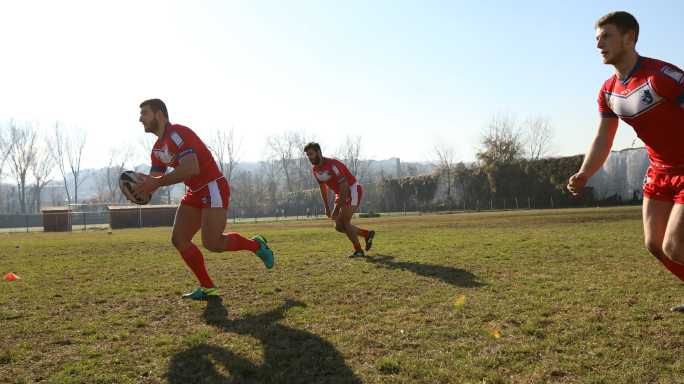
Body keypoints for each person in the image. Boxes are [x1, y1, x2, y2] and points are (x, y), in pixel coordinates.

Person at [567, 12, 684, 311]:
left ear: (630, 37)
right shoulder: (607, 91)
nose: (599, 45)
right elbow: (604, 138)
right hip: (659, 171)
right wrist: (584, 172)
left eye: (607, 36)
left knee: (675, 245)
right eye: (596, 39)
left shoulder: (662, 76)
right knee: (655, 246)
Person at [134, 99, 274, 300]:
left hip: (212, 186)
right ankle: (208, 287)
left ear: (159, 114)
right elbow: (155, 180)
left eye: (144, 113)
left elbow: (192, 168)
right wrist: (142, 187)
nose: (140, 119)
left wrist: (156, 183)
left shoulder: (178, 133)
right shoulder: (157, 149)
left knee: (212, 243)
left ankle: (257, 246)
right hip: (195, 192)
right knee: (179, 239)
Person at [304, 142, 375, 257]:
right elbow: (323, 187)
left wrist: (336, 208)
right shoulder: (315, 170)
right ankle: (366, 234)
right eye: (307, 155)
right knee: (339, 226)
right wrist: (326, 206)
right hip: (341, 193)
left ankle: (358, 250)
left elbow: (344, 186)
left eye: (311, 154)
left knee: (344, 221)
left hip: (352, 190)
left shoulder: (332, 165)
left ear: (318, 152)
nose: (309, 158)